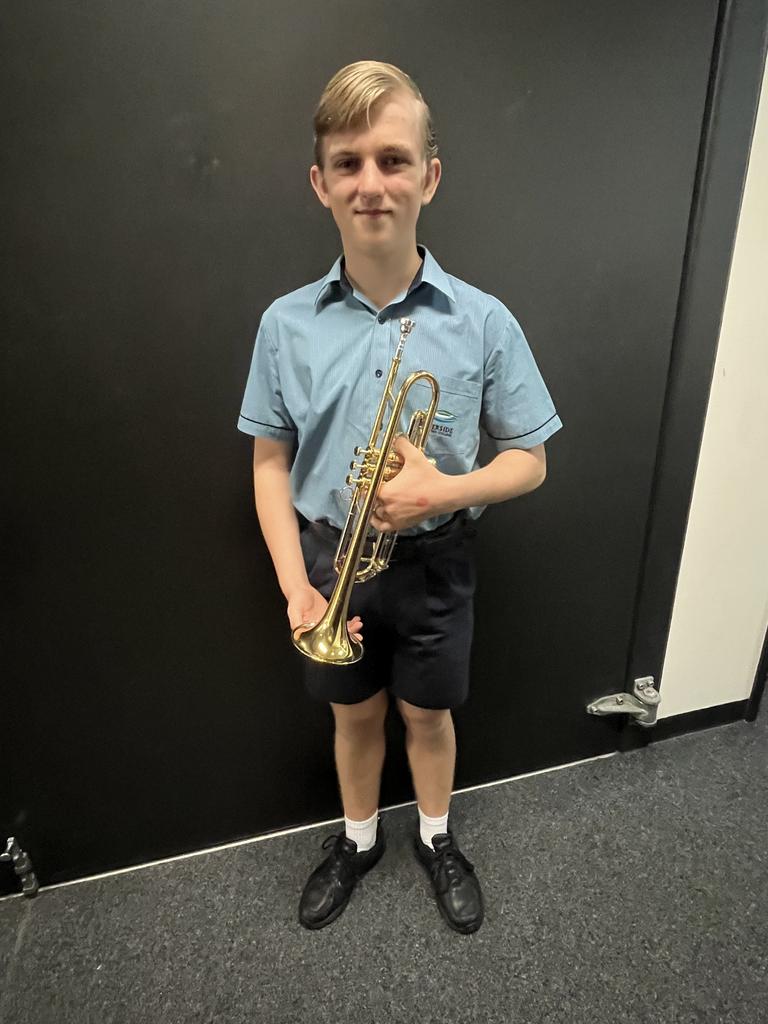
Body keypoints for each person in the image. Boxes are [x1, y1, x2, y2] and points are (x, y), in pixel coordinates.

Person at [237, 60, 563, 934]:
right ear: (320, 183)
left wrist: (442, 491)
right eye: (348, 162)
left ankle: (435, 833)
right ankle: (356, 839)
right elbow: (270, 464)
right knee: (355, 714)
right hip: (328, 558)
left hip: (437, 561)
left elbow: (529, 459)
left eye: (392, 158)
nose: (370, 182)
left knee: (428, 713)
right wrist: (295, 588)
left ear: (430, 175)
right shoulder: (285, 324)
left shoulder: (483, 320)